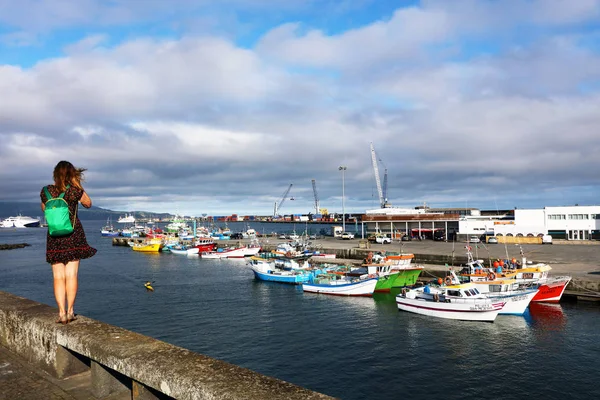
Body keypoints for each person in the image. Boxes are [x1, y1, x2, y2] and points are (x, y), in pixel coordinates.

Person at [40, 161, 97, 325]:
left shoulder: (46, 191)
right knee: (71, 275)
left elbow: (45, 209)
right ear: (71, 174)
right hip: (73, 234)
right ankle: (71, 311)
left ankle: (61, 313)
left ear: (55, 174)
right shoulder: (74, 191)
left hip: (54, 237)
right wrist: (77, 184)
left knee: (58, 277)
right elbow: (88, 204)